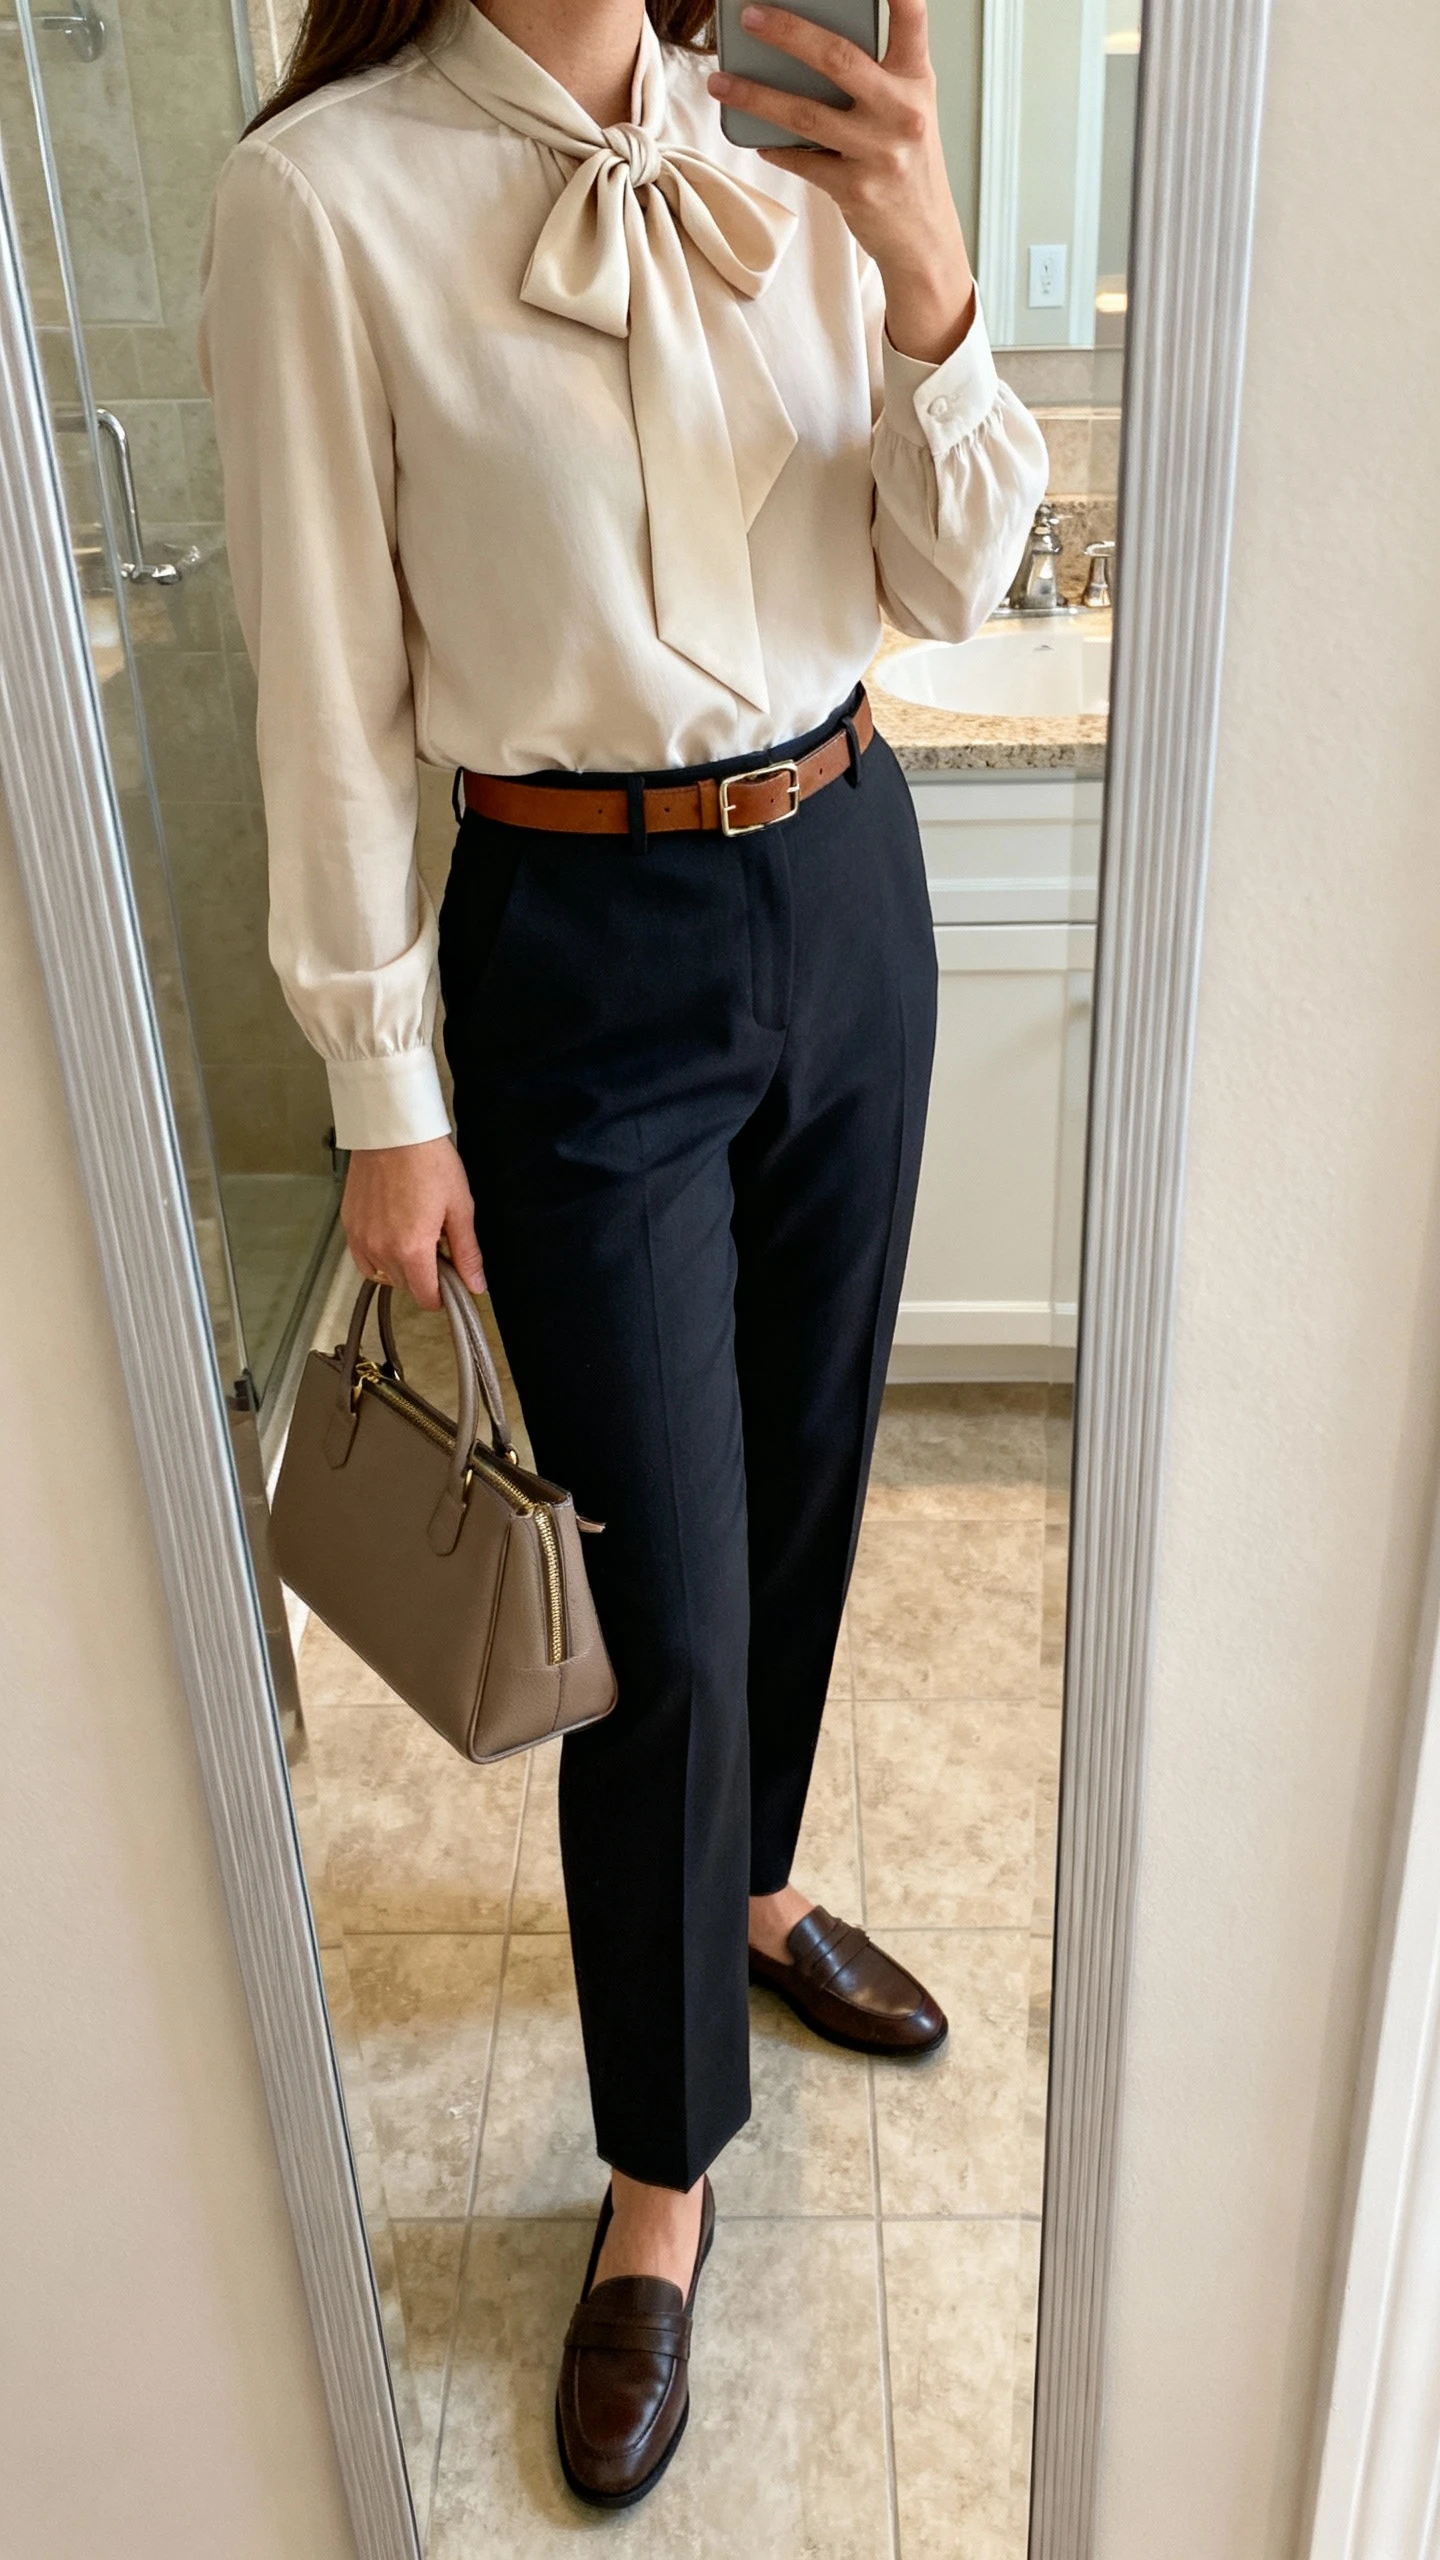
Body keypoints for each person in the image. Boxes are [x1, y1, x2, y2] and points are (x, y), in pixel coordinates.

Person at [200, 0, 1046, 2506]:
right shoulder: (320, 203)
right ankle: (661, 2174)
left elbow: (952, 574)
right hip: (574, 954)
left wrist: (924, 277)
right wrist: (379, 1083)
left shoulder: (807, 145)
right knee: (655, 1600)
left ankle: (756, 1886)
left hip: (847, 875)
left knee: (797, 1484)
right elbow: (324, 693)